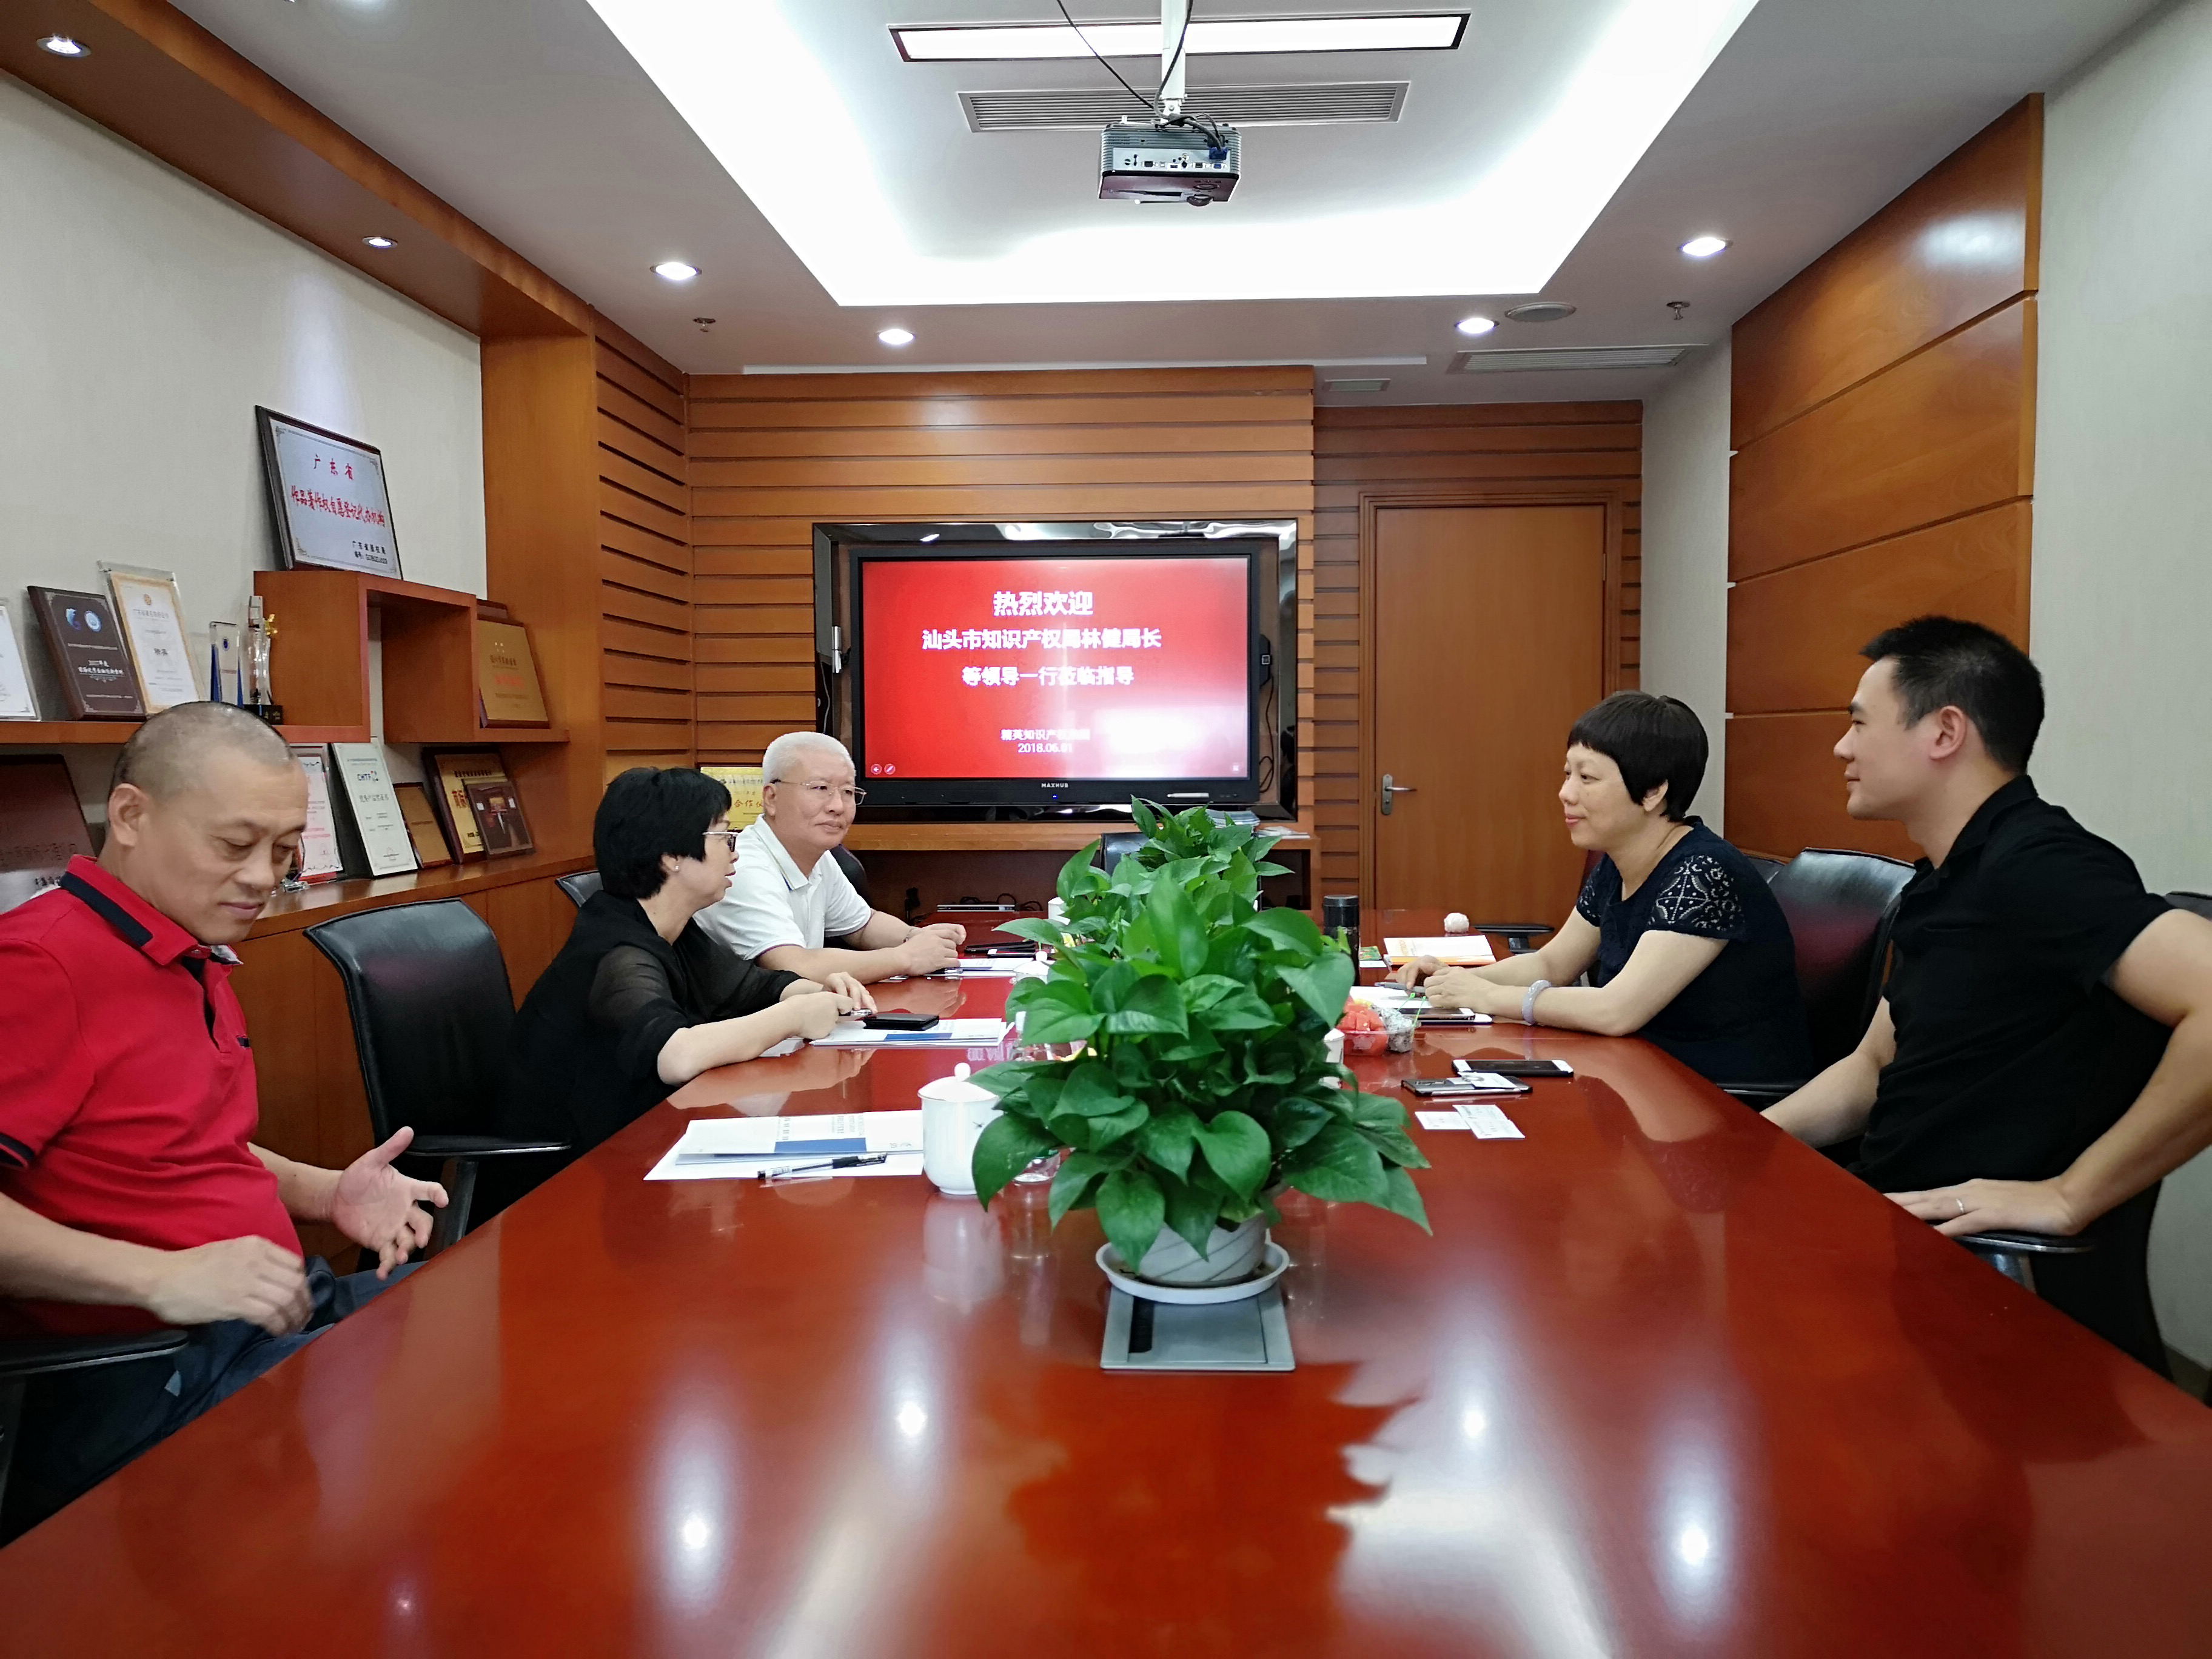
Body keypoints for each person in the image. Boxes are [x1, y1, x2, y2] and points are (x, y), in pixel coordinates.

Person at [0, 703, 446, 1535]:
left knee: (485, 1330)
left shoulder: (179, 945)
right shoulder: (38, 965)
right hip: (147, 1372)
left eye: (283, 851)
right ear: (130, 816)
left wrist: (325, 1192)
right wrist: (160, 1278)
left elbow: (175, 1143)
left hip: (263, 1316)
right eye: (234, 845)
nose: (260, 877)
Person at [1765, 617, 2212, 1370]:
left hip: (1967, 1283)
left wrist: (2071, 1195)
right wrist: (1748, 1143)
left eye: (1860, 723)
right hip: (1886, 1228)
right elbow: (1872, 1068)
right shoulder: (1944, 879)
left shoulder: (2040, 864)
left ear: (1945, 732)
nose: (1842, 747)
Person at [1396, 691, 1813, 1086]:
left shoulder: (1703, 872)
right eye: (1567, 774)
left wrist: (1486, 996)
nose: (1566, 793)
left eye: (1588, 777)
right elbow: (1551, 965)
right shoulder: (1617, 863)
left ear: (1653, 791)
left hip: (1717, 1094)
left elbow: (1616, 1010)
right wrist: (1451, 982)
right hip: (1640, 1073)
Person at [501, 768, 874, 1160]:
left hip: (645, 1137)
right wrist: (794, 1016)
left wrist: (817, 991)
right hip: (573, 1171)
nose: (735, 851)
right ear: (672, 857)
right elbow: (677, 1056)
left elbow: (752, 986)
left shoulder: (671, 927)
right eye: (724, 836)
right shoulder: (617, 952)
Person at [695, 732, 966, 983]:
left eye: (848, 792)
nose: (837, 806)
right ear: (772, 798)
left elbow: (863, 926)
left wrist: (917, 937)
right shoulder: (743, 866)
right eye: (820, 788)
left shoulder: (817, 855)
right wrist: (906, 957)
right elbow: (792, 966)